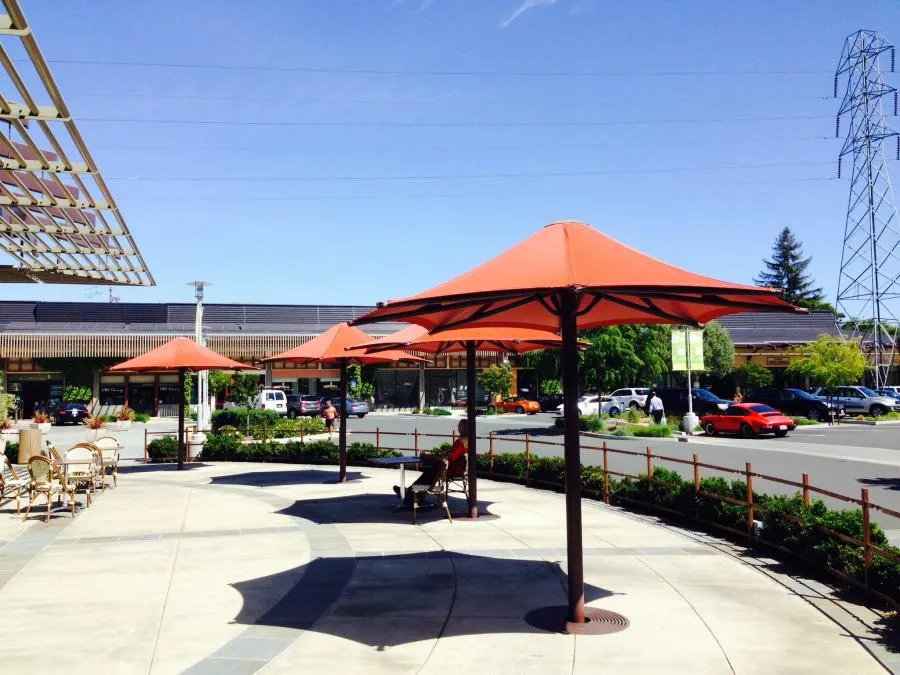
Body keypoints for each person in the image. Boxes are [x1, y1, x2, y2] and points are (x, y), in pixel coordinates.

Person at [394, 418, 469, 505]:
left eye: (459, 427)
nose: (458, 429)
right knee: (429, 471)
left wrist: (434, 457)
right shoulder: (467, 441)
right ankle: (413, 493)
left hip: (450, 469)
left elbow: (451, 457)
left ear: (463, 428)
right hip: (456, 469)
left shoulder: (461, 442)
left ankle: (411, 492)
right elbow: (450, 455)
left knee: (429, 471)